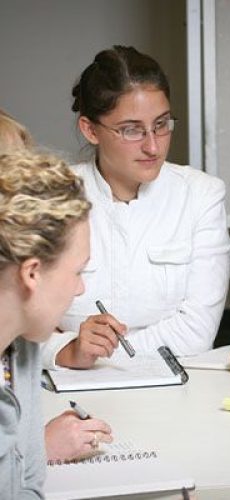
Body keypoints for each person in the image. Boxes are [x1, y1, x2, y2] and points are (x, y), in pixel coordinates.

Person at [41, 46, 230, 370]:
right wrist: (67, 349)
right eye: (131, 129)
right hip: (70, 384)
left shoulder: (201, 194)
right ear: (90, 129)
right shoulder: (53, 195)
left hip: (177, 386)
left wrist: (98, 352)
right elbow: (19, 314)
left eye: (161, 124)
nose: (153, 145)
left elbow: (197, 330)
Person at [0, 110, 113, 463]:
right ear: (31, 272)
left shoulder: (24, 345)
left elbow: (27, 485)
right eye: (77, 272)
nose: (80, 289)